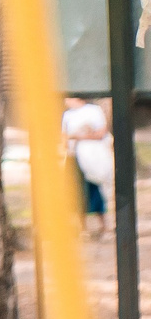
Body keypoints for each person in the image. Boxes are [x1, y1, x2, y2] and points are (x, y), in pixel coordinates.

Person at [64, 96, 115, 235]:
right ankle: (82, 228)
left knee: (96, 190)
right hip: (76, 156)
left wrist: (79, 136)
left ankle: (104, 225)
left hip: (94, 157)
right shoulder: (68, 114)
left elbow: (100, 133)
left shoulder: (94, 111)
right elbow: (65, 137)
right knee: (78, 192)